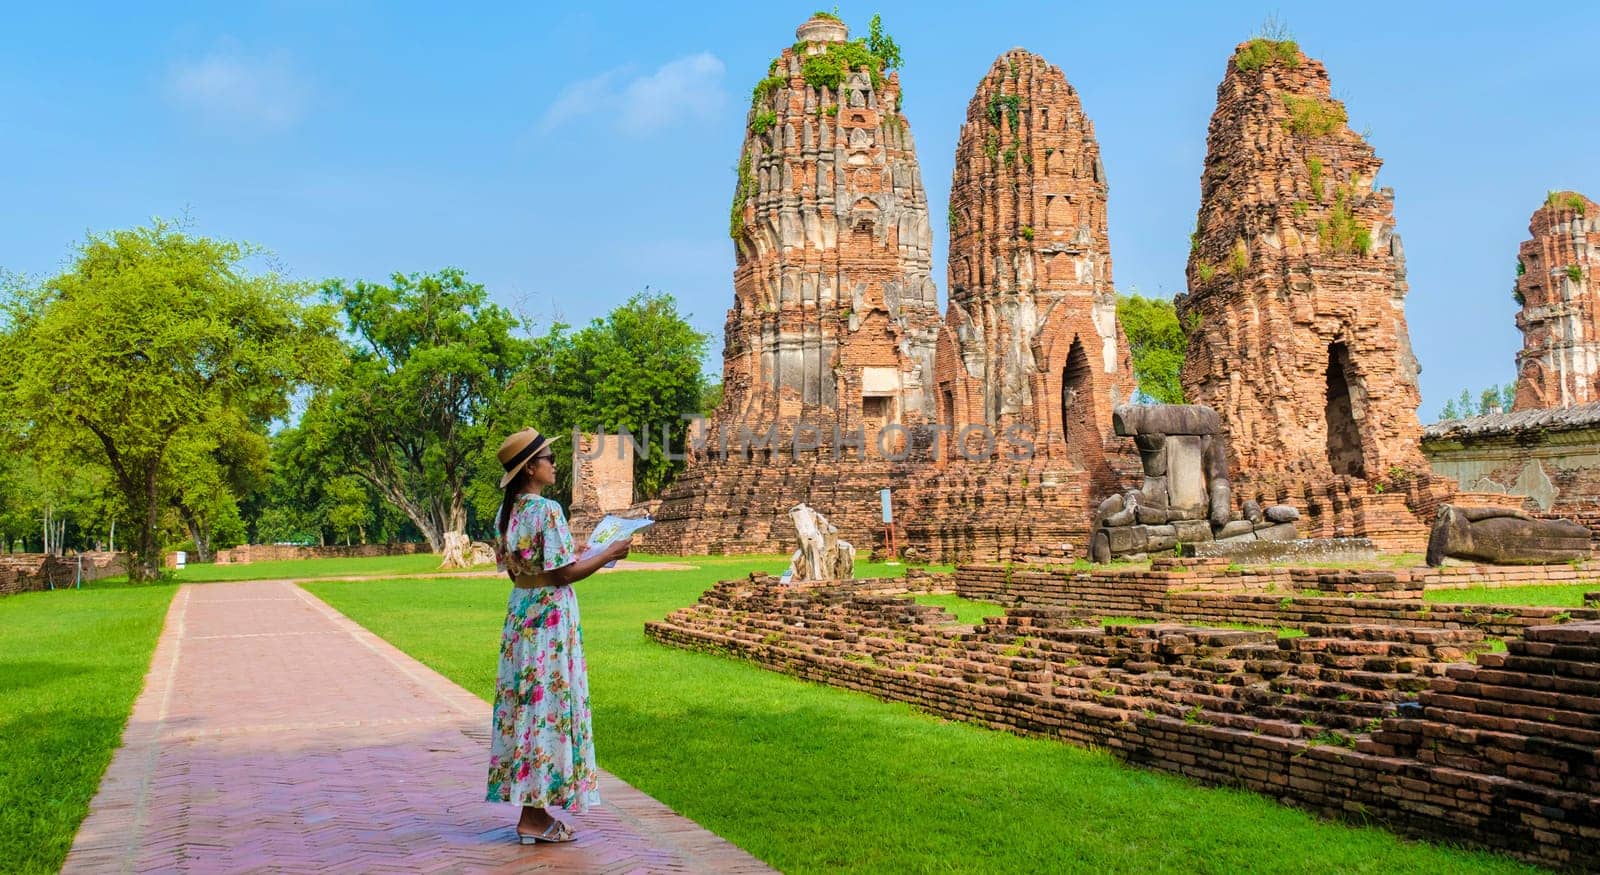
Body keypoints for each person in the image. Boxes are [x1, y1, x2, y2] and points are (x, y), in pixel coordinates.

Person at [485, 427, 631, 844]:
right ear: (531, 467)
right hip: (550, 619)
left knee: (527, 709)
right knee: (547, 704)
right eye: (548, 458)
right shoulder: (546, 511)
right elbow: (564, 574)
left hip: (521, 616)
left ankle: (533, 808)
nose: (554, 464)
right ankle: (533, 816)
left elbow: (520, 570)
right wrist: (607, 554)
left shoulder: (506, 513)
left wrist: (580, 548)